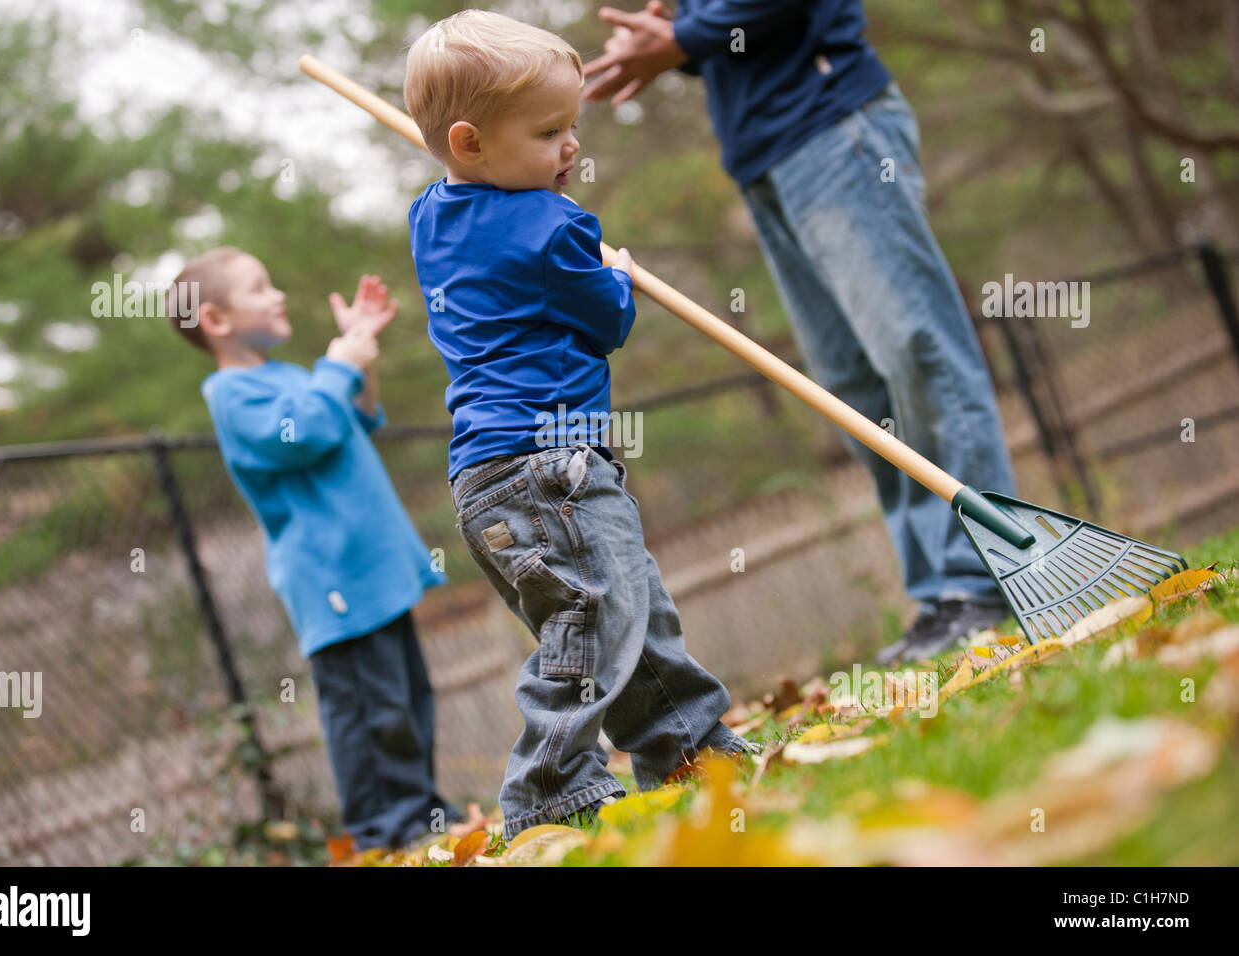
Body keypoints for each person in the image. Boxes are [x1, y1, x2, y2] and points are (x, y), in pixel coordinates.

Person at [402, 9, 756, 842]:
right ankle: (550, 795)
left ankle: (690, 752)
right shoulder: (558, 230)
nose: (571, 149)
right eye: (550, 131)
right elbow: (608, 321)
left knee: (626, 610)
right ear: (470, 143)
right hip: (551, 464)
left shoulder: (428, 218)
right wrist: (619, 276)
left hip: (488, 474)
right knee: (591, 626)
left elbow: (482, 225)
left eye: (572, 128)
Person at [582, 1, 1019, 664]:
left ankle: (983, 579)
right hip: (767, 157)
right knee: (854, 388)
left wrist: (683, 38)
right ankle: (944, 597)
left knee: (915, 349)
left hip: (833, 127)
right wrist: (680, 40)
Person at [165, 247, 466, 850]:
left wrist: (359, 353)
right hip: (334, 582)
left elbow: (357, 418)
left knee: (406, 699)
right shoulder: (232, 394)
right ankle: (388, 832)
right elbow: (305, 431)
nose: (277, 295)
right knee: (370, 709)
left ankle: (423, 814)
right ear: (217, 321)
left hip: (372, 571)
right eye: (259, 287)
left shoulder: (289, 378)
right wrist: (339, 362)